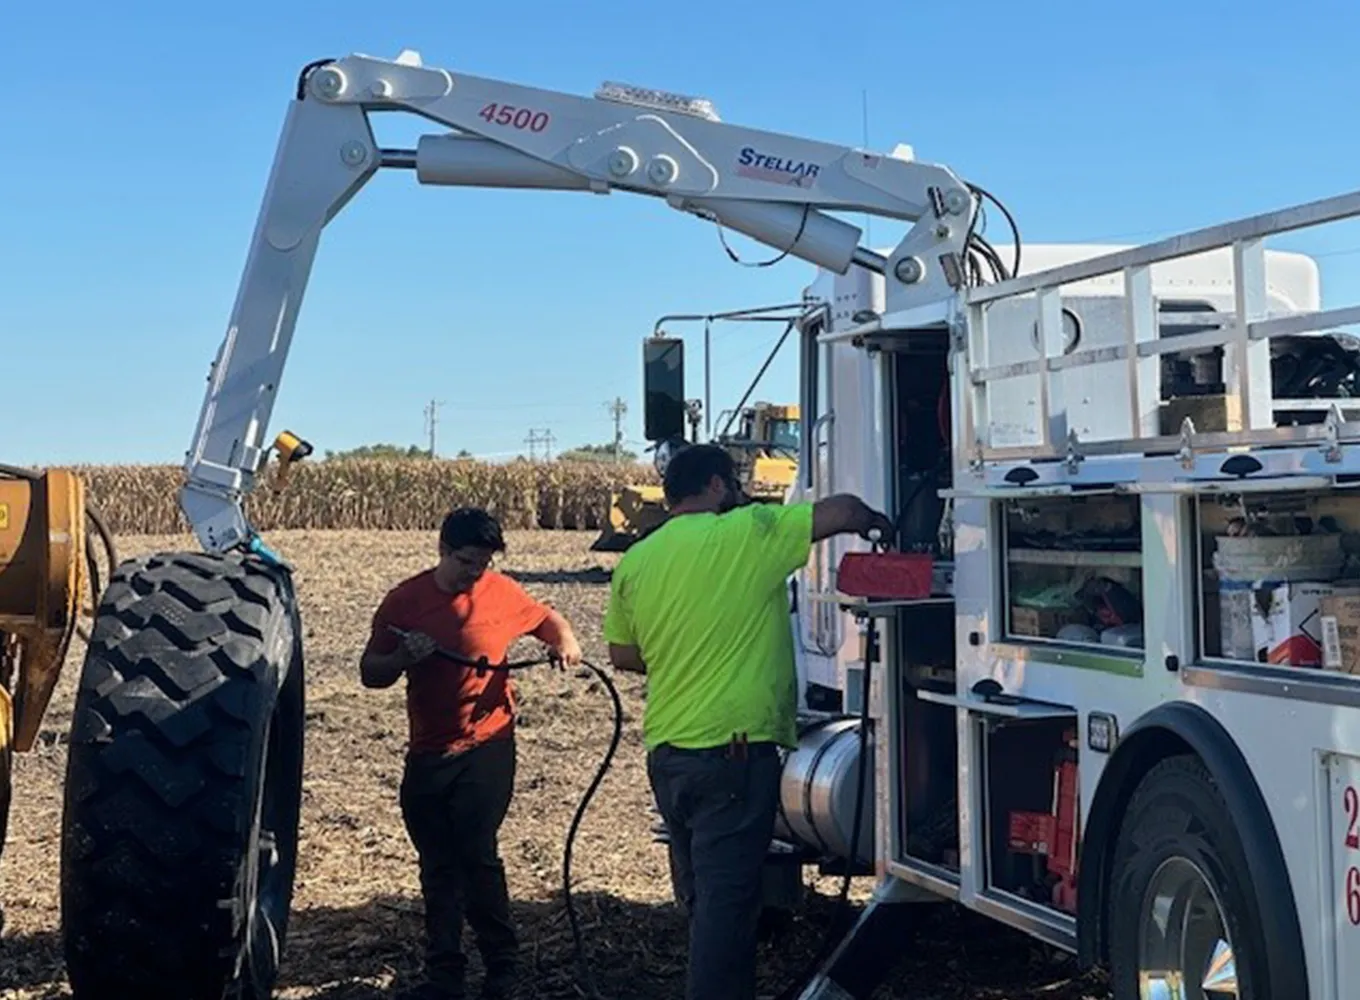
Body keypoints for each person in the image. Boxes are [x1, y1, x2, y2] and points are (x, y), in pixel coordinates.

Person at [601, 444, 893, 1000]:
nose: (736, 491)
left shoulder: (638, 558)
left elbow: (624, 655)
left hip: (668, 754)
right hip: (731, 755)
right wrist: (880, 522)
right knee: (726, 911)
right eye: (730, 482)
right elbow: (843, 512)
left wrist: (683, 651)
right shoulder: (748, 532)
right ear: (713, 486)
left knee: (703, 898)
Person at [360, 506, 583, 1000]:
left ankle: (502, 967)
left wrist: (563, 640)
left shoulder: (500, 592)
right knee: (437, 861)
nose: (474, 571)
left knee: (476, 852)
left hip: (488, 743)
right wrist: (401, 659)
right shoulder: (405, 602)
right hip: (429, 750)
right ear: (442, 550)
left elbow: (547, 619)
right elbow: (370, 671)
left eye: (482, 562)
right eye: (466, 561)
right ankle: (445, 974)